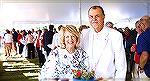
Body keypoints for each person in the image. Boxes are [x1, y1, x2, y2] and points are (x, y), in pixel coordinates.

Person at [80, 5, 127, 80]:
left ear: (103, 17)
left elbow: (121, 65)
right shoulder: (84, 33)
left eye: (97, 16)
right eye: (91, 17)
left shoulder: (115, 35)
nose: (94, 19)